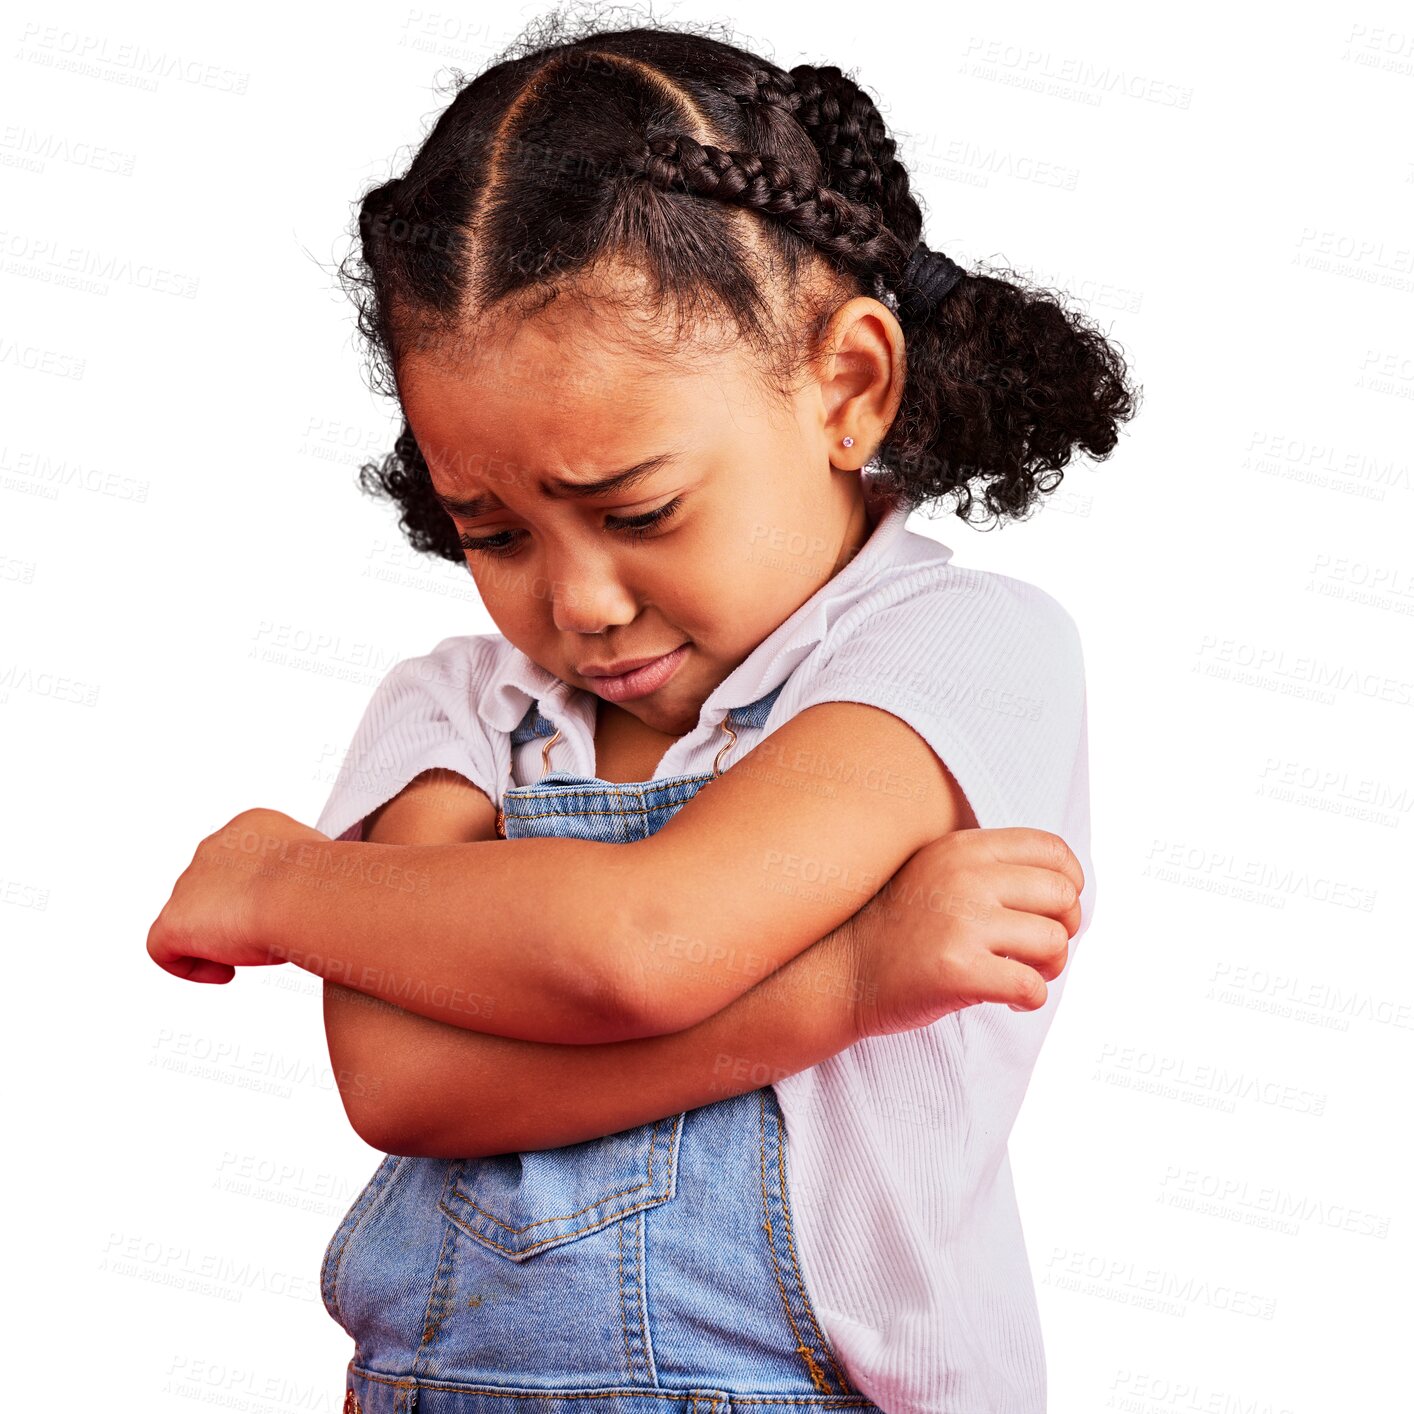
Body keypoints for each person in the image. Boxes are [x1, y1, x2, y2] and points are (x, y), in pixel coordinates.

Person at [146, 14, 1137, 1413]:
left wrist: (287, 883)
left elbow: (641, 945)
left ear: (847, 385)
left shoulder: (956, 649)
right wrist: (840, 981)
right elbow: (402, 1078)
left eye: (638, 511)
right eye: (488, 529)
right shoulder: (459, 703)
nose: (582, 601)